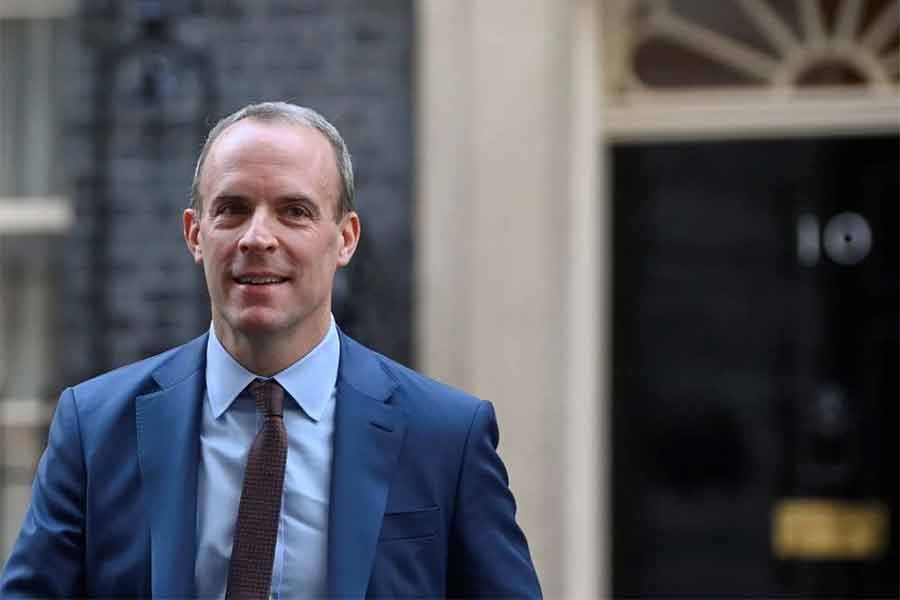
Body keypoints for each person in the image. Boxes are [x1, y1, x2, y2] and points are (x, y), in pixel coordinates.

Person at [0, 101, 542, 598]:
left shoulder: (446, 436)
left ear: (346, 238)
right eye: (232, 209)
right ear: (195, 235)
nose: (257, 237)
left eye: (294, 211)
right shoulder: (94, 429)